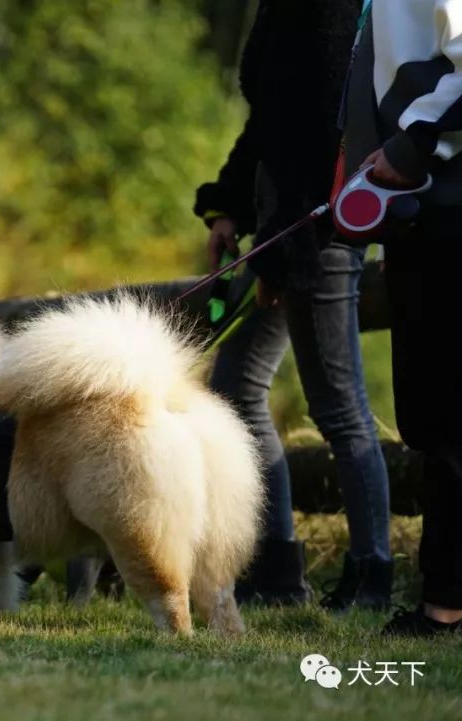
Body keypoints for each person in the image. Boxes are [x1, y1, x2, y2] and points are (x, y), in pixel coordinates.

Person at [193, 0, 393, 610]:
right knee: (235, 388)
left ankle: (370, 576)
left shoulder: (327, 9)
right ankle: (277, 569)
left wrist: (283, 257)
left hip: (318, 232)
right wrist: (229, 203)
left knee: (338, 406)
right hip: (282, 231)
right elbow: (269, 123)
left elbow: (320, 132)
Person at [337, 0, 462, 636]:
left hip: (448, 206)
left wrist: (413, 145)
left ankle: (444, 604)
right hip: (427, 210)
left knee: (448, 414)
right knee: (435, 418)